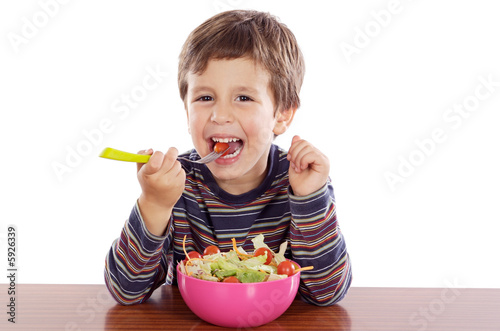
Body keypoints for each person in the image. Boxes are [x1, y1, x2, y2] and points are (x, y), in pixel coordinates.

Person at [104, 9, 352, 306]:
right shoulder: (174, 185)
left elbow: (327, 293)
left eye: (243, 98)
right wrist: (154, 204)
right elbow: (126, 291)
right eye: (205, 98)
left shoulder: (302, 180)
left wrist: (309, 198)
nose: (220, 115)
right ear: (186, 111)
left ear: (282, 114)